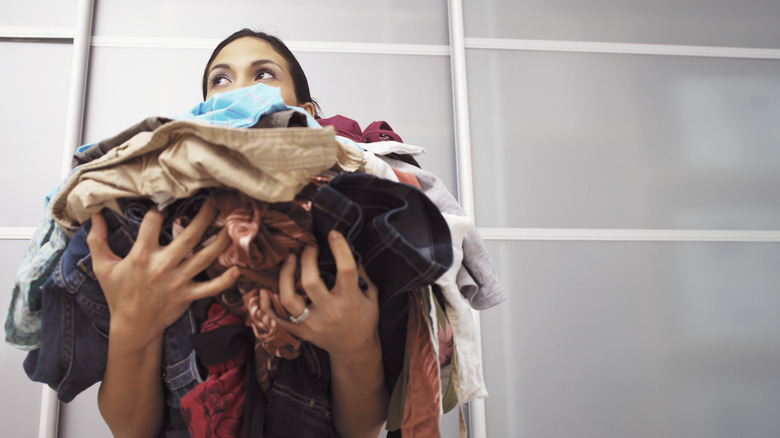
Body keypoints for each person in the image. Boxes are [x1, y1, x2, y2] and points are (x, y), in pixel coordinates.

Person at [87, 29, 389, 438]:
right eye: (221, 80)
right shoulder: (155, 229)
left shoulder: (353, 219)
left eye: (264, 74)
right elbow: (129, 430)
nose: (240, 90)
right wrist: (131, 326)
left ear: (306, 112)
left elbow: (363, 430)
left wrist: (356, 348)